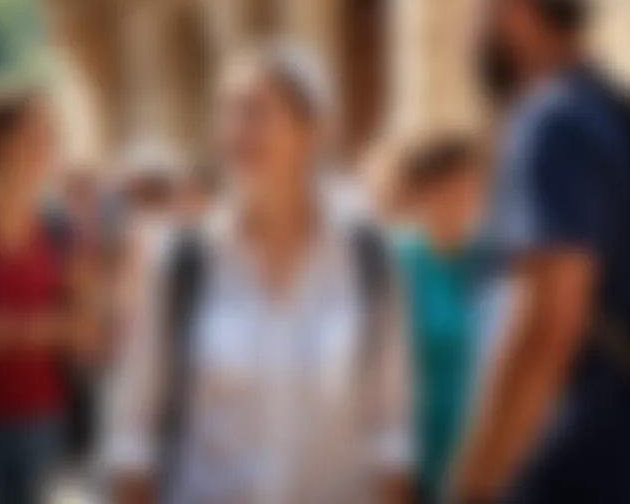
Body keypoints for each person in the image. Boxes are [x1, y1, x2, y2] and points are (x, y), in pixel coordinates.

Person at [106, 44, 412, 504]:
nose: (236, 131)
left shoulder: (368, 257)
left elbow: (391, 432)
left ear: (311, 131)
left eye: (257, 112)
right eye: (227, 112)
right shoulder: (181, 262)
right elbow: (133, 436)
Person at [447, 0, 630, 503]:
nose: (468, 41)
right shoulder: (609, 109)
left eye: (477, 19)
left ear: (515, 10)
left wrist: (474, 480)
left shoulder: (548, 123)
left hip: (564, 469)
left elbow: (550, 319)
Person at [0, 92, 89, 504]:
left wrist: (15, 331)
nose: (44, 147)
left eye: (48, 137)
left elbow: (88, 329)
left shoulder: (60, 229)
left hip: (40, 418)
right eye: (33, 136)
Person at [393, 137, 483, 502]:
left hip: (483, 459)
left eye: (470, 187)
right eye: (450, 188)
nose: (462, 198)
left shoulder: (489, 260)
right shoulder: (397, 262)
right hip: (416, 461)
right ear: (422, 193)